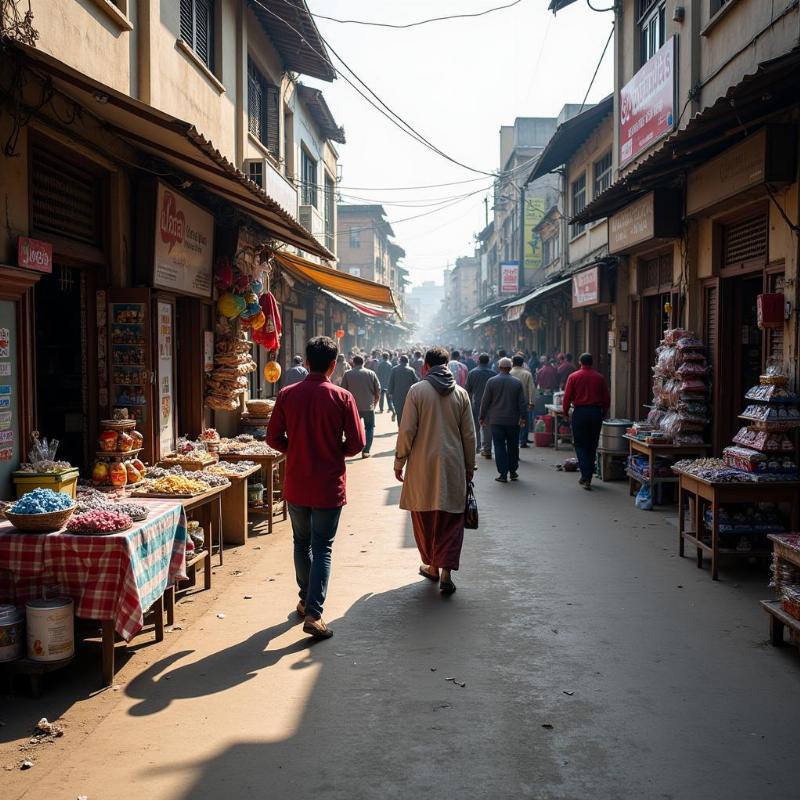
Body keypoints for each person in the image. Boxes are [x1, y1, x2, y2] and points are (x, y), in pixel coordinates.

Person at [266, 336, 365, 640]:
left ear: (306, 362)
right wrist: (335, 452)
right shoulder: (342, 397)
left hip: (297, 482)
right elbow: (358, 443)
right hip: (328, 485)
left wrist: (294, 449)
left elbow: (272, 438)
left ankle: (304, 600)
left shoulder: (286, 394)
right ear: (334, 365)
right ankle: (314, 612)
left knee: (301, 542)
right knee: (322, 547)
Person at [394, 346, 476, 595]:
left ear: (426, 366)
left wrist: (399, 462)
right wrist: (469, 467)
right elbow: (469, 435)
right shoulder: (461, 393)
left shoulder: (417, 391)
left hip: (422, 466)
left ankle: (431, 565)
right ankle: (445, 573)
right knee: (451, 520)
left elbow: (407, 430)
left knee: (424, 516)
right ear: (448, 365)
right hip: (452, 464)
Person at [562, 352, 610, 490]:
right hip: (595, 413)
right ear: (592, 362)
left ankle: (586, 475)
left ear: (579, 362)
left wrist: (565, 412)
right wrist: (603, 413)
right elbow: (606, 398)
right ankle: (586, 475)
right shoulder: (599, 377)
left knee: (580, 444)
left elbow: (567, 397)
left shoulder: (574, 376)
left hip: (580, 413)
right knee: (592, 444)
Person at [480, 357, 526, 483]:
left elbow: (485, 401)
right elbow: (522, 402)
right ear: (510, 368)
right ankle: (513, 471)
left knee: (499, 446)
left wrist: (482, 416)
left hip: (496, 420)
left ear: (499, 367)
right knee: (513, 446)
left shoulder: (491, 381)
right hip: (512, 421)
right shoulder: (517, 382)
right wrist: (523, 417)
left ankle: (503, 474)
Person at [340, 355, 381, 458]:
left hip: (353, 408)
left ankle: (352, 449)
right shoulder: (371, 373)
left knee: (352, 429)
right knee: (369, 428)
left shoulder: (348, 374)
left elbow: (343, 391)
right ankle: (366, 451)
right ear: (363, 363)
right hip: (368, 406)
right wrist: (375, 402)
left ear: (353, 363)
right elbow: (378, 390)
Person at [465, 353, 496, 458]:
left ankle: (477, 447)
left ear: (478, 361)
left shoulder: (472, 373)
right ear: (488, 362)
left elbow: (467, 391)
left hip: (476, 403)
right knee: (487, 427)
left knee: (475, 426)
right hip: (490, 405)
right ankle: (487, 449)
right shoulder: (493, 374)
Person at [510, 355, 535, 448]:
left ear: (513, 363)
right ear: (522, 363)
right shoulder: (527, 374)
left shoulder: (508, 372)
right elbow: (531, 389)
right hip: (524, 402)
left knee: (512, 423)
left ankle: (513, 441)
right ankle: (523, 441)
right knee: (524, 421)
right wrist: (531, 402)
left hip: (510, 402)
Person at [387, 354, 418, 426]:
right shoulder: (411, 370)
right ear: (407, 361)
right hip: (409, 395)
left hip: (397, 395)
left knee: (399, 413)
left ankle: (400, 427)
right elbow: (416, 382)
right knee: (409, 412)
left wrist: (390, 393)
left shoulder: (394, 369)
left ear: (399, 361)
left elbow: (391, 382)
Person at [376, 352, 395, 418]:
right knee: (388, 396)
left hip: (381, 382)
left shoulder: (380, 364)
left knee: (381, 396)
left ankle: (381, 408)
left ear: (382, 357)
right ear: (388, 357)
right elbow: (391, 374)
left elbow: (378, 373)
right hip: (388, 382)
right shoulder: (390, 364)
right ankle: (390, 408)